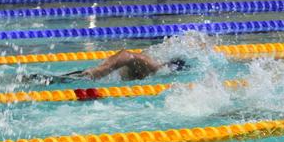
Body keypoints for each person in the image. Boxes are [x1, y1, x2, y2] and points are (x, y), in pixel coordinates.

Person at [22, 50, 188, 84]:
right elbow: (126, 54)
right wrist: (99, 71)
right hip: (94, 76)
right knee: (56, 80)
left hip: (104, 79)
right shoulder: (153, 66)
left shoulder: (155, 72)